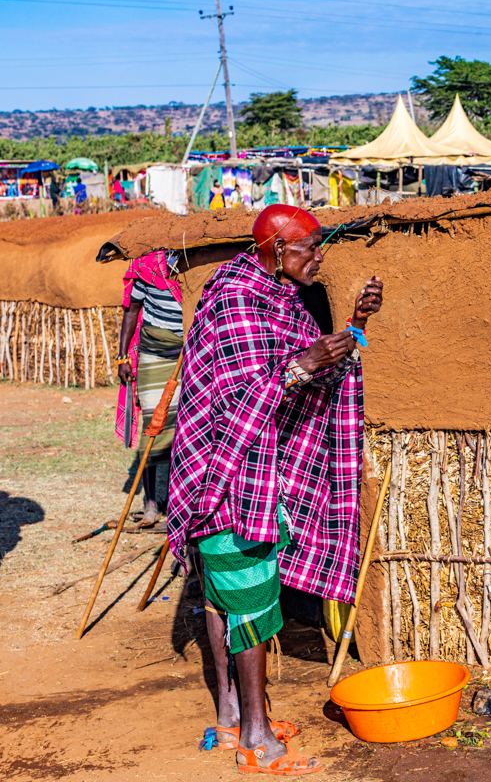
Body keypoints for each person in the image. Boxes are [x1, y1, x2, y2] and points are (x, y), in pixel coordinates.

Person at [167, 204, 383, 775]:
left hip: (253, 466)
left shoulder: (280, 302)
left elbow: (303, 374)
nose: (318, 257)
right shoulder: (236, 301)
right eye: (309, 248)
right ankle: (256, 737)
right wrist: (302, 365)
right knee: (245, 591)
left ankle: (230, 717)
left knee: (225, 591)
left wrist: (354, 330)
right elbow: (240, 401)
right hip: (226, 469)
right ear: (276, 252)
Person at [116, 250, 184, 528]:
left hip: (187, 356)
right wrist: (122, 357)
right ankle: (151, 504)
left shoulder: (194, 272)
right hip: (153, 354)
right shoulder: (149, 269)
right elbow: (131, 312)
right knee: (152, 427)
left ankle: (176, 499)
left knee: (182, 431)